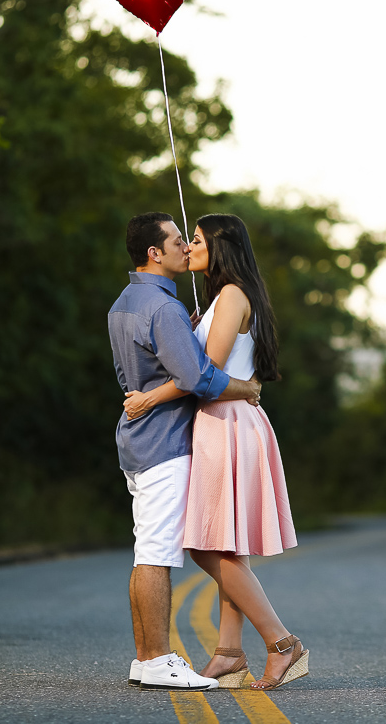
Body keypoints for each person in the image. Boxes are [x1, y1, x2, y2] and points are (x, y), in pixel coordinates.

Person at [123, 213, 308, 691]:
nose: (189, 247)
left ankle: (282, 643)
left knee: (207, 546)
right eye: (186, 240)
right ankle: (228, 653)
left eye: (197, 240)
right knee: (225, 544)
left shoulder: (229, 296)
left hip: (226, 423)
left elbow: (203, 374)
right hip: (223, 422)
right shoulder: (223, 298)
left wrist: (148, 398)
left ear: (220, 248)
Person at [108, 212, 263, 692]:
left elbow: (131, 375)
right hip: (167, 443)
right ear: (154, 253)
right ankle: (157, 659)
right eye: (178, 240)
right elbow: (199, 378)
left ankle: (146, 659)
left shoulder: (122, 304)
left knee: (147, 550)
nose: (185, 247)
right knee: (156, 553)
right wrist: (247, 387)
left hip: (137, 441)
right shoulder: (164, 308)